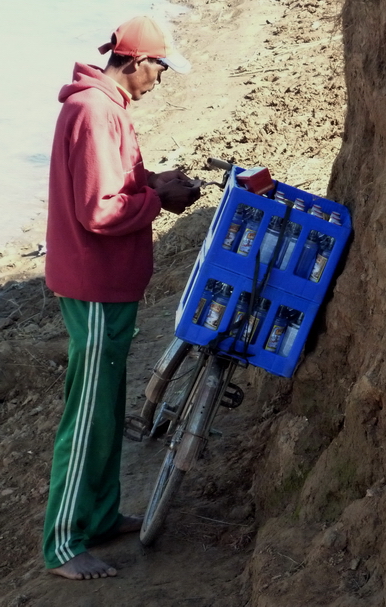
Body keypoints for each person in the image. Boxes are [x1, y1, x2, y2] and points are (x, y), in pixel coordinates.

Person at [42, 15, 200, 581]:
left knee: (106, 408)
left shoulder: (110, 108)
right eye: (162, 68)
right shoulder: (93, 111)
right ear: (136, 62)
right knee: (85, 417)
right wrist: (157, 203)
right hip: (94, 287)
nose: (164, 79)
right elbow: (100, 211)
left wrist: (153, 183)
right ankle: (62, 546)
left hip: (109, 284)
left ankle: (102, 517)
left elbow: (116, 187)